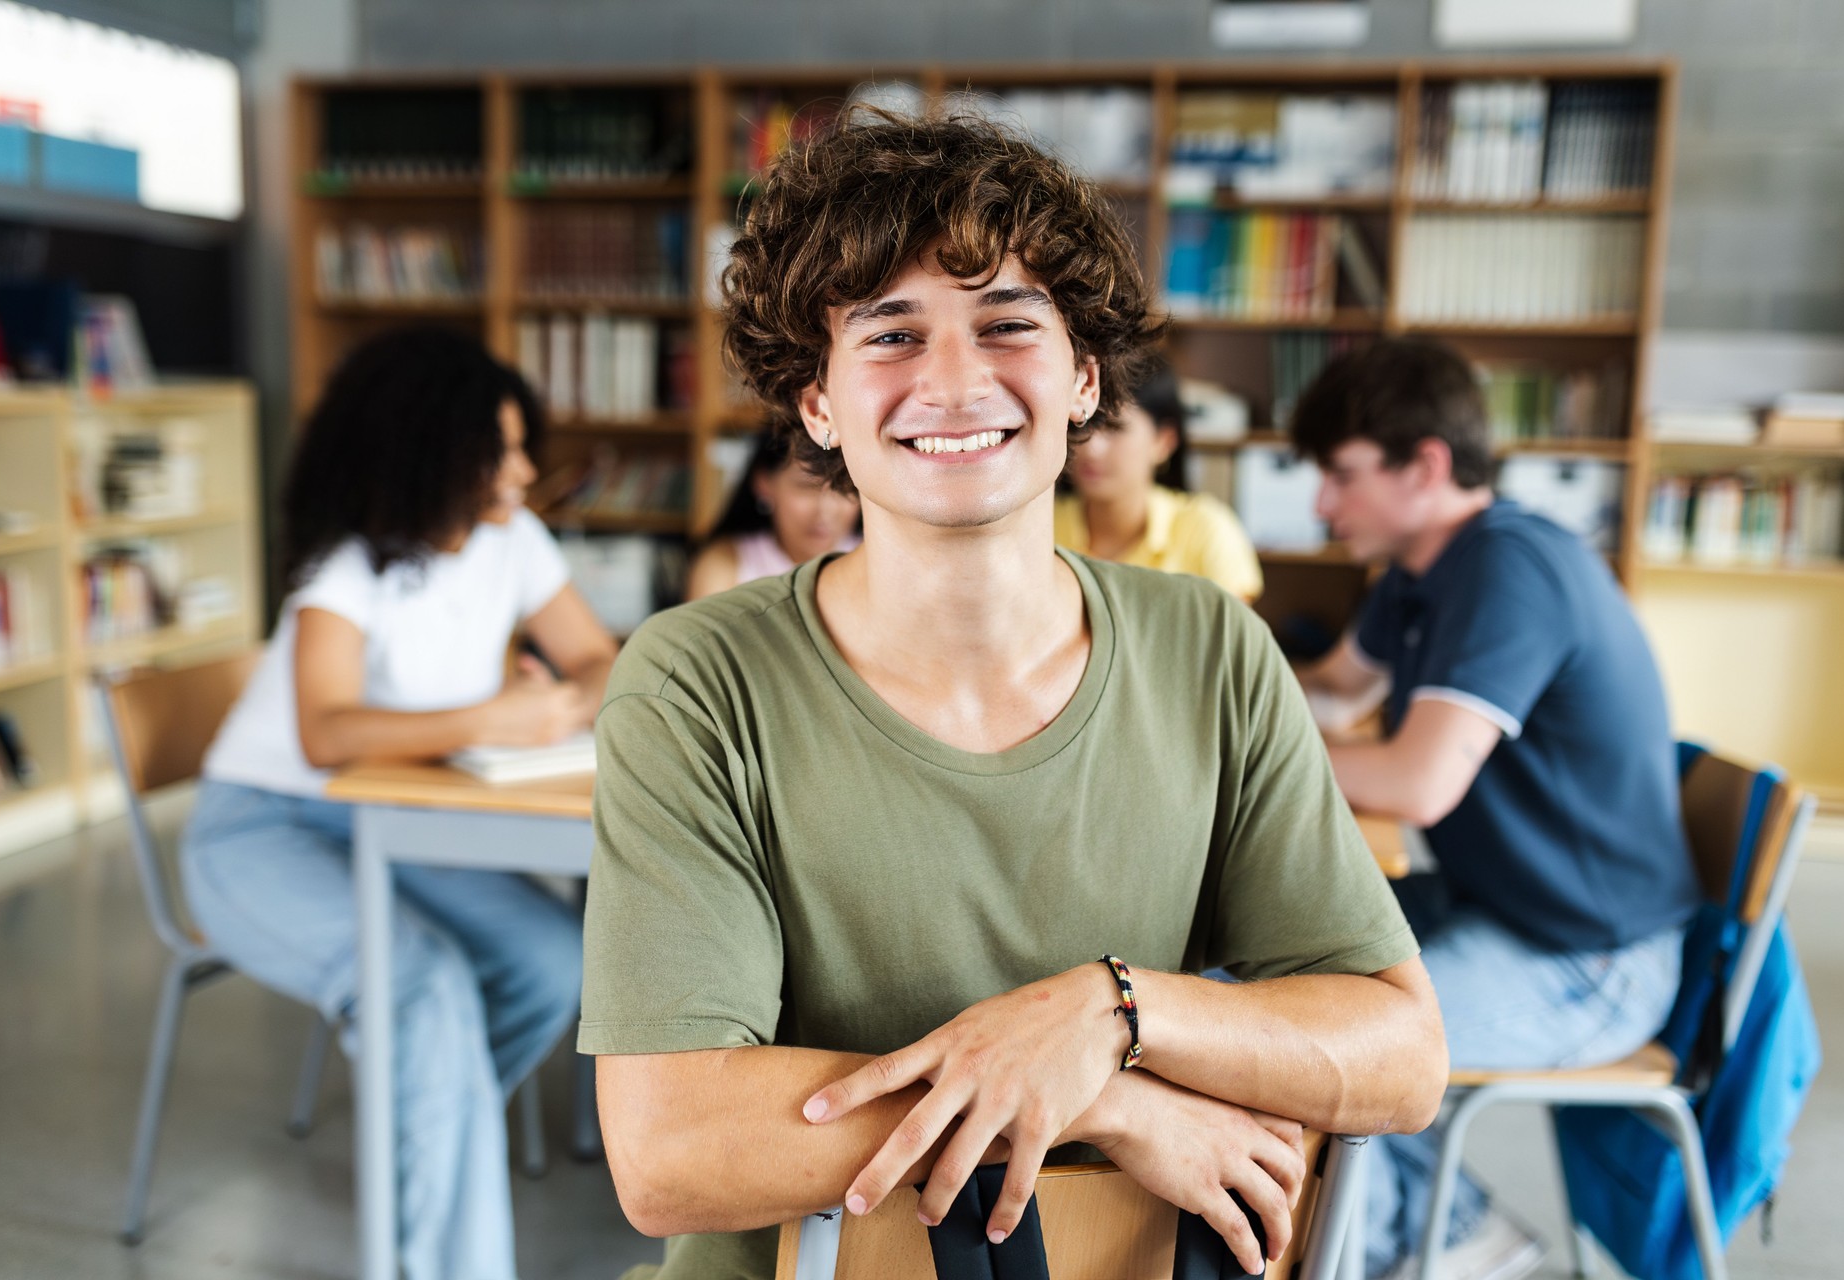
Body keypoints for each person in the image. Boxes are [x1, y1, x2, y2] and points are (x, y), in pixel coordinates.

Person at [578, 110, 1447, 1280]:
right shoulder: (697, 679)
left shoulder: (1209, 649)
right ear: (817, 402)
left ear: (1084, 378)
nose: (954, 378)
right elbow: (671, 1147)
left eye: (1007, 323)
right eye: (892, 333)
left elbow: (1402, 1057)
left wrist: (1112, 1012)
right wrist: (1101, 1097)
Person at [182, 329, 620, 1280]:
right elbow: (326, 732)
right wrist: (493, 716)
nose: (524, 472)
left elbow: (597, 655)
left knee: (550, 959)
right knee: (425, 990)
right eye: (501, 451)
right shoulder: (347, 566)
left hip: (392, 819)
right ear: (432, 451)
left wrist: (564, 701)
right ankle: (441, 1239)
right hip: (260, 828)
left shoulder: (513, 540)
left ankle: (426, 1131)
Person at [1287, 338, 1699, 1280]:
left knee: (1328, 1050)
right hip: (1504, 906)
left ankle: (1448, 1239)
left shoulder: (1511, 568)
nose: (1322, 505)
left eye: (1341, 475)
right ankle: (1440, 1229)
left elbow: (1416, 781)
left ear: (1425, 466)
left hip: (1591, 957)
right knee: (1263, 964)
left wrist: (1250, 759)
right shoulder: (1419, 574)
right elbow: (1336, 693)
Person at [1054, 361, 1263, 601]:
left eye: (1114, 428)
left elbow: (1228, 624)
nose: (1091, 447)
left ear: (1164, 441)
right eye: (1082, 423)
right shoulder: (1043, 525)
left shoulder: (1207, 530)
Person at [686, 428, 860, 599]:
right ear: (763, 483)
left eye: (844, 488)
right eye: (807, 486)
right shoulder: (724, 567)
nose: (827, 510)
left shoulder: (871, 562)